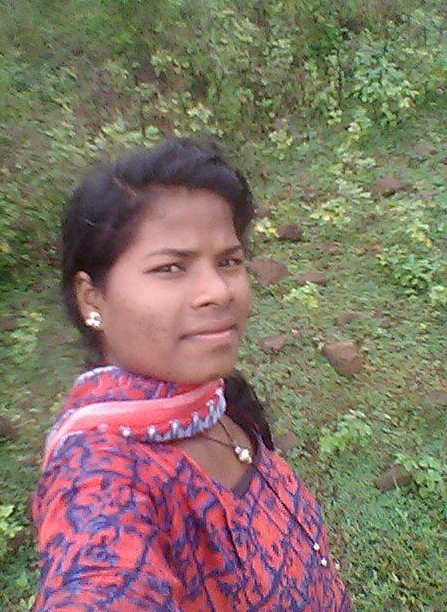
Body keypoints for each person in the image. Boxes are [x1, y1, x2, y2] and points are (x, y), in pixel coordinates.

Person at [32, 138, 351, 611]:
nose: (218, 291)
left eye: (229, 262)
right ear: (91, 298)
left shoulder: (214, 400)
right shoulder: (99, 474)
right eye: (170, 268)